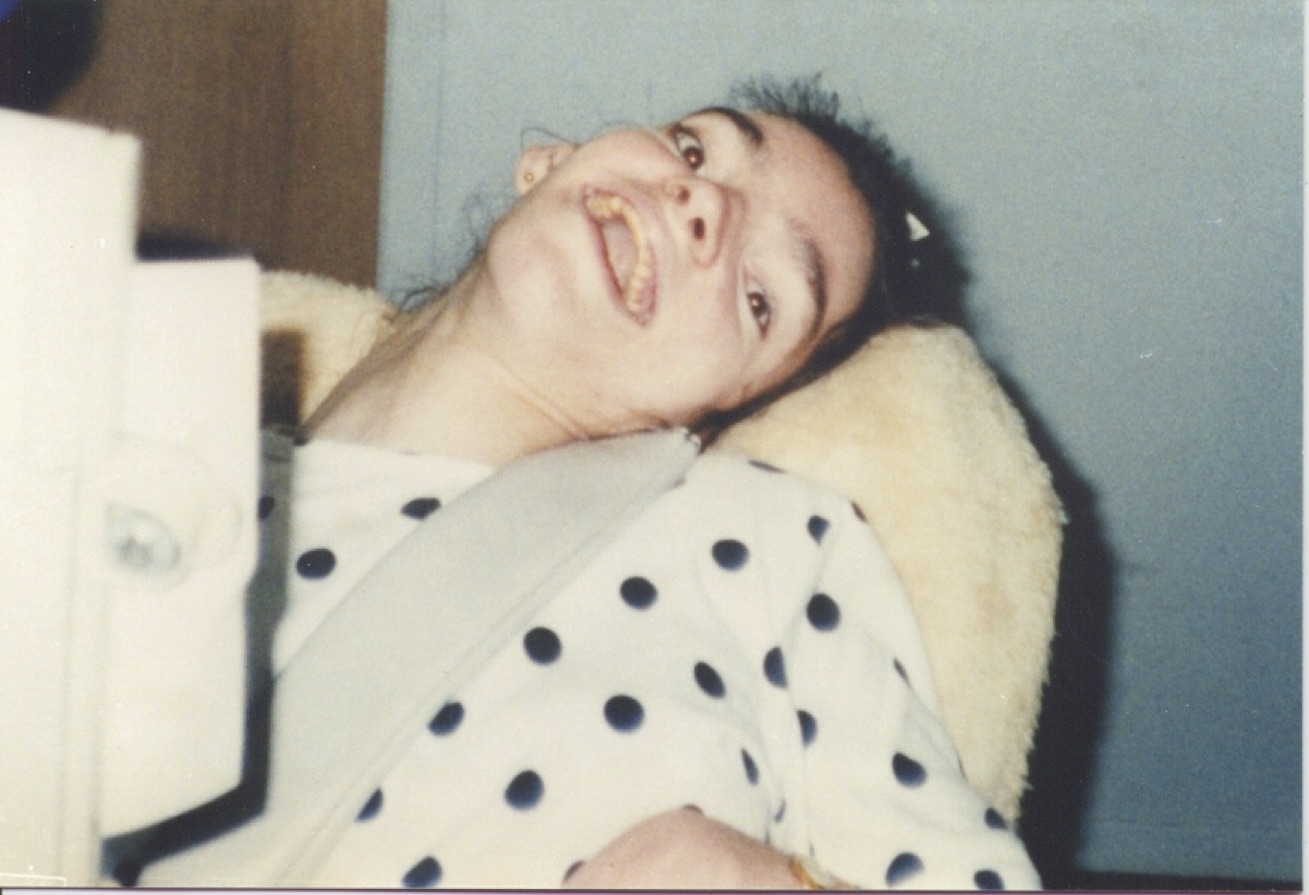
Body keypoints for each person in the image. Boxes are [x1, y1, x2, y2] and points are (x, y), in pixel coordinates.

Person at [116, 78, 1041, 889]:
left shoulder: (762, 540)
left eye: (762, 296)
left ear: (714, 411)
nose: (702, 206)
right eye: (695, 148)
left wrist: (764, 879)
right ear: (548, 163)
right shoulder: (147, 459)